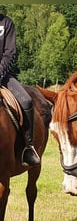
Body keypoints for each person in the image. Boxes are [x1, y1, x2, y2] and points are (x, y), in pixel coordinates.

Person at [0, 13, 40, 166]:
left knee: (26, 101)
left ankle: (28, 148)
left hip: (4, 76)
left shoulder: (6, 23)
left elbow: (9, 53)